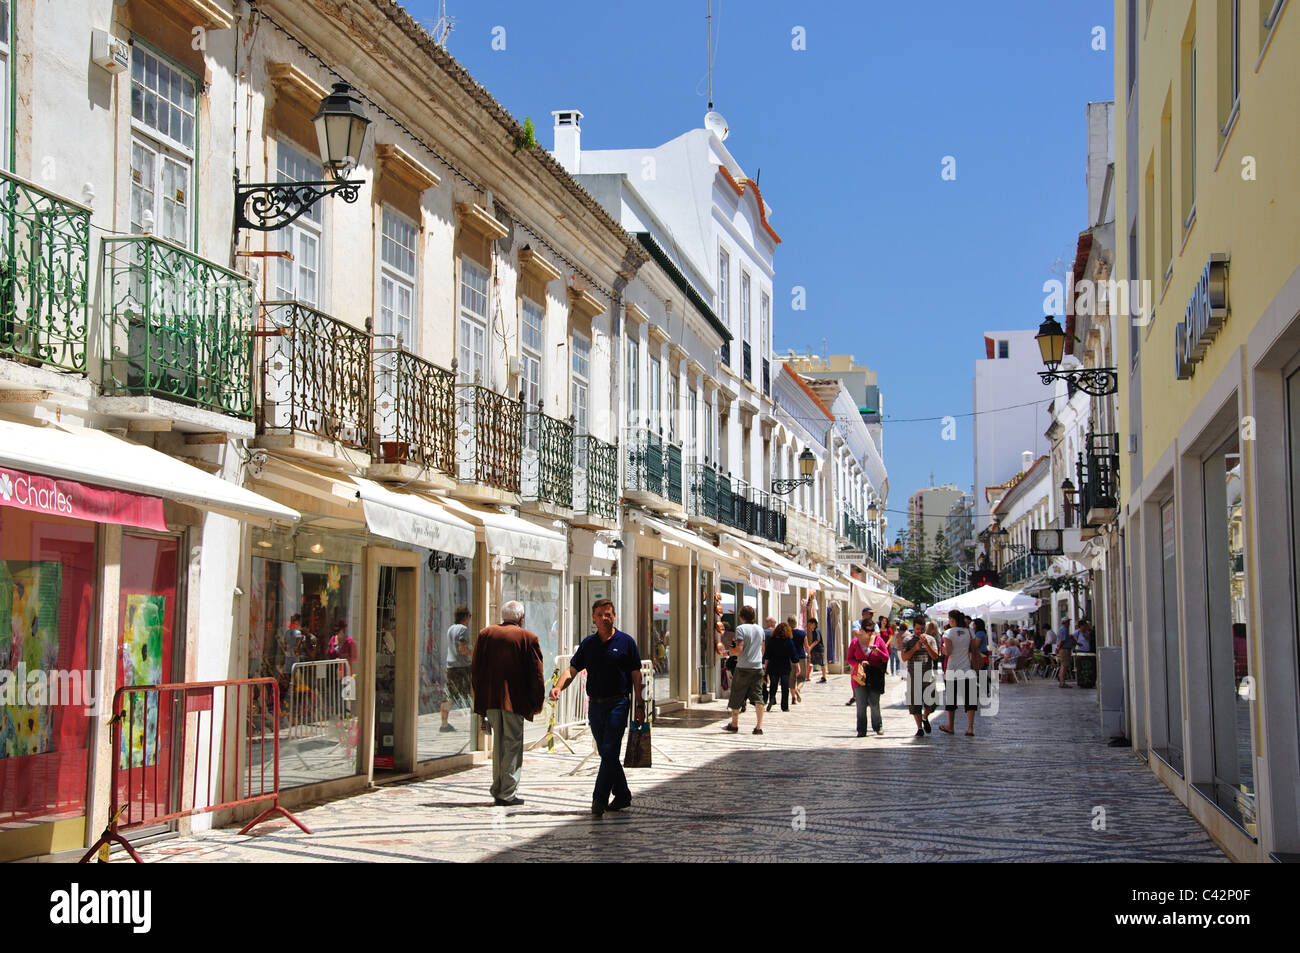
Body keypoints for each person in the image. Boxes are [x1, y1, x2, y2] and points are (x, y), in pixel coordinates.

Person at [551, 599, 645, 816]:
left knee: (610, 748)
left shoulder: (626, 642)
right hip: (595, 705)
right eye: (601, 614)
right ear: (593, 618)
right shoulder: (588, 644)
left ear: (614, 616)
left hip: (619, 703)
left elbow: (636, 675)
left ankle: (599, 799)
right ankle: (622, 794)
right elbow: (572, 670)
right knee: (606, 752)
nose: (605, 617)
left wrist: (640, 704)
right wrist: (558, 687)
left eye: (609, 614)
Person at [470, 601, 545, 807]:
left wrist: (481, 699)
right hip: (515, 701)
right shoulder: (528, 638)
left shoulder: (486, 634)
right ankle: (507, 792)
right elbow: (536, 673)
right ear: (521, 618)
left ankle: (498, 787)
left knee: (499, 745)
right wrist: (537, 701)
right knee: (512, 745)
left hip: (492, 700)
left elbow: (476, 669)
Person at [724, 606, 766, 735]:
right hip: (757, 667)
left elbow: (739, 649)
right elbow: (763, 649)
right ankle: (758, 727)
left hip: (743, 667)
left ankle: (734, 724)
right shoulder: (760, 629)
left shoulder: (740, 629)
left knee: (737, 694)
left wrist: (728, 653)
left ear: (742, 617)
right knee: (758, 696)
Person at [939, 610, 978, 737]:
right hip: (966, 668)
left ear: (951, 620)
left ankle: (951, 726)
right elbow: (973, 650)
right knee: (970, 699)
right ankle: (970, 727)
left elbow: (948, 652)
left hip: (952, 669)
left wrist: (943, 650)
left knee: (951, 700)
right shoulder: (969, 631)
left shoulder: (948, 632)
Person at [846, 621, 889, 737]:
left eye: (872, 630)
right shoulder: (855, 642)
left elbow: (886, 657)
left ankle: (878, 726)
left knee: (874, 703)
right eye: (868, 630)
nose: (870, 633)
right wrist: (859, 663)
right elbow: (849, 659)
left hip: (874, 676)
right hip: (860, 676)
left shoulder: (878, 641)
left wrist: (877, 651)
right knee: (861, 703)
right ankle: (861, 729)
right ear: (862, 630)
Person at [901, 618, 939, 736]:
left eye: (922, 629)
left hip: (928, 675)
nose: (920, 631)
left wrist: (927, 645)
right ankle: (919, 728)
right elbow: (904, 657)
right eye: (917, 629)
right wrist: (915, 648)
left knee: (932, 702)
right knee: (914, 704)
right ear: (913, 627)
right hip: (913, 675)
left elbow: (935, 656)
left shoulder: (931, 639)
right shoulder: (907, 640)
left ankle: (925, 716)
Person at [441, 606, 472, 732]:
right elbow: (462, 649)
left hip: (451, 666)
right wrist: (474, 652)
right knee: (471, 694)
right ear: (466, 617)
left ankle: (444, 723)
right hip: (462, 667)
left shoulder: (451, 629)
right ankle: (475, 724)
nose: (470, 619)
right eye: (470, 616)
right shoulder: (463, 629)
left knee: (448, 696)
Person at [763, 622, 796, 712]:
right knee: (785, 687)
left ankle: (772, 698)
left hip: (773, 665)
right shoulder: (789, 641)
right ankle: (784, 706)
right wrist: (796, 663)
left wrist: (765, 667)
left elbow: (767, 655)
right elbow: (793, 655)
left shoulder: (772, 640)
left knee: (773, 684)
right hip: (785, 666)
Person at [789, 616, 808, 704]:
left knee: (791, 678)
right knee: (801, 677)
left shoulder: (787, 634)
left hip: (790, 657)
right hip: (801, 656)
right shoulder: (802, 633)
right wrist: (809, 653)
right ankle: (798, 689)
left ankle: (793, 697)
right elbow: (806, 646)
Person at [807, 617, 827, 684]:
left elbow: (817, 640)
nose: (809, 626)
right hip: (816, 649)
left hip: (818, 649)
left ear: (814, 624)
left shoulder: (816, 630)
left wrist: (810, 647)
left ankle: (824, 677)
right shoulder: (815, 630)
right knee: (811, 662)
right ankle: (807, 676)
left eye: (810, 624)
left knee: (821, 663)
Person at [1057, 619, 1076, 686]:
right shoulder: (1064, 629)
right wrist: (1058, 648)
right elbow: (1062, 640)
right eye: (1068, 622)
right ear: (1065, 622)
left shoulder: (1062, 629)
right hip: (1065, 649)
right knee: (1064, 665)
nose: (1069, 623)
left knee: (1063, 665)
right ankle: (1062, 682)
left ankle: (1062, 681)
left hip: (1064, 648)